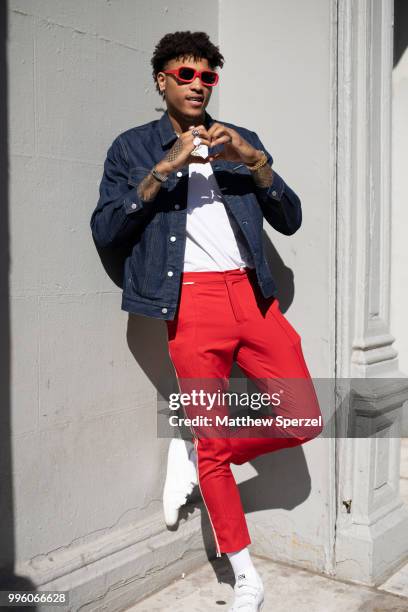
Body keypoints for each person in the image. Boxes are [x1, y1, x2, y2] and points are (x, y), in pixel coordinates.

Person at [90, 30, 323, 612]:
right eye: (186, 75)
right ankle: (244, 574)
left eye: (207, 77)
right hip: (190, 305)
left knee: (304, 417)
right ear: (162, 81)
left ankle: (200, 451)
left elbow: (290, 218)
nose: (198, 85)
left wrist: (254, 160)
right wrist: (163, 171)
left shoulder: (240, 141)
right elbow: (106, 229)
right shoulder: (132, 148)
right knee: (214, 438)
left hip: (252, 296)